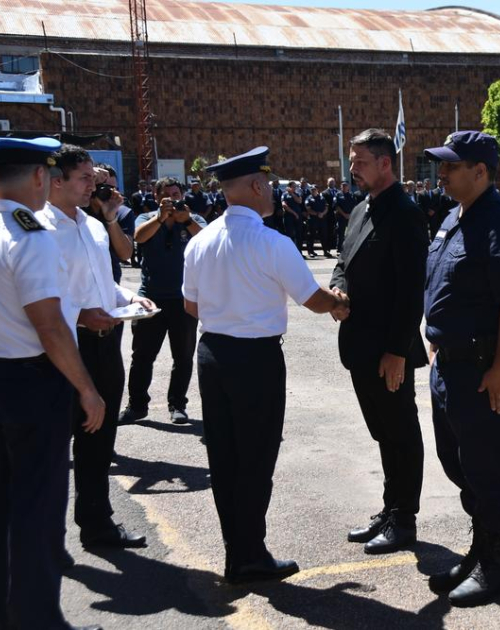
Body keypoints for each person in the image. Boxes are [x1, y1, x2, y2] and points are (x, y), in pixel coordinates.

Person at [183, 146, 350, 584]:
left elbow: (190, 305)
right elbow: (313, 300)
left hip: (213, 355)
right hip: (254, 358)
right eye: (269, 184)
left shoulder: (199, 240)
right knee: (255, 458)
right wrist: (339, 303)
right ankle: (250, 554)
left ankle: (235, 551)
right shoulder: (273, 242)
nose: (273, 191)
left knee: (224, 457)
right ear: (256, 186)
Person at [0, 136, 106, 630]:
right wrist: (86, 387)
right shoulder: (30, 234)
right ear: (40, 176)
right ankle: (36, 619)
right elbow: (50, 325)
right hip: (30, 383)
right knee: (37, 510)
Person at [422, 131, 500, 607]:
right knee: (461, 464)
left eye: (451, 167)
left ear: (481, 172)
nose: (442, 174)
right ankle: (479, 548)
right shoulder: (454, 217)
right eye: (442, 166)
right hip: (450, 368)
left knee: (493, 467)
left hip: (487, 370)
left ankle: (496, 566)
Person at [40, 145, 154, 551]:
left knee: (98, 439)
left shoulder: (90, 226)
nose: (96, 184)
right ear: (57, 181)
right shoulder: (39, 229)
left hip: (106, 345)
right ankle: (45, 541)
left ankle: (96, 523)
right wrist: (81, 316)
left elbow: (100, 287)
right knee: (51, 448)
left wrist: (127, 299)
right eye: (85, 178)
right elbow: (38, 301)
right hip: (63, 351)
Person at [331, 129, 428, 555]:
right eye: (352, 162)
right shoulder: (359, 211)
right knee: (383, 432)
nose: (353, 169)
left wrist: (397, 350)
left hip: (388, 348)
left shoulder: (404, 213)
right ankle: (390, 509)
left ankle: (404, 519)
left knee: (400, 432)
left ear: (385, 163)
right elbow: (342, 261)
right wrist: (336, 292)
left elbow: (412, 290)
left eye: (360, 162)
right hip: (359, 343)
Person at [120, 178, 207, 425]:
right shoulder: (146, 218)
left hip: (184, 299)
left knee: (183, 357)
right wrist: (160, 218)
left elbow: (207, 239)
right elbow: (138, 237)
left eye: (176, 193)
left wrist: (186, 221)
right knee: (142, 356)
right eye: (167, 195)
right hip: (151, 297)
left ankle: (177, 405)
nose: (173, 199)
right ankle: (136, 406)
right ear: (157, 197)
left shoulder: (193, 218)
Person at [334, 180, 357, 252]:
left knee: (351, 233)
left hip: (350, 217)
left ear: (348, 187)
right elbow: (336, 206)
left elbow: (355, 206)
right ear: (341, 187)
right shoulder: (338, 195)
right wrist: (344, 214)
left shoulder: (352, 195)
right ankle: (339, 249)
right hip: (341, 217)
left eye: (345, 186)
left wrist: (350, 215)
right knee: (340, 233)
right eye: (343, 186)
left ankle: (350, 249)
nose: (344, 187)